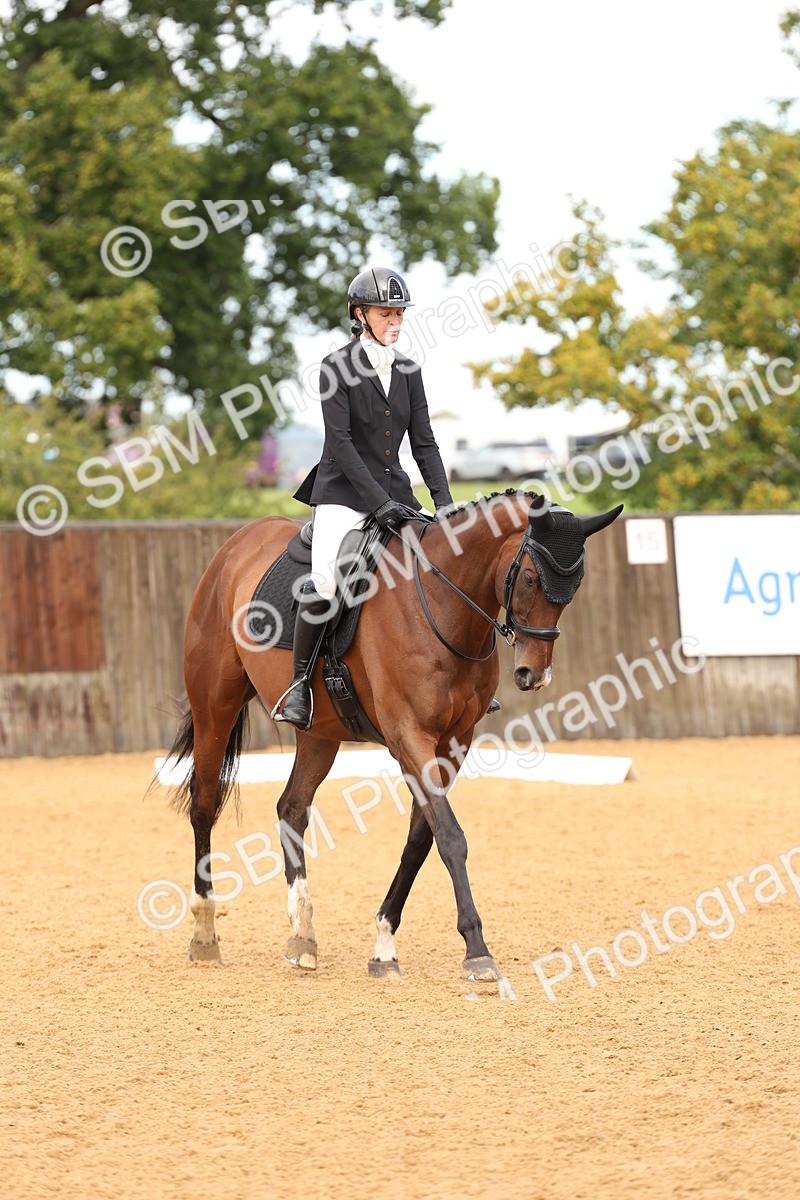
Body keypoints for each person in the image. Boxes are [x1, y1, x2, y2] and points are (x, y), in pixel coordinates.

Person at [274, 265, 496, 731]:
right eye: (385, 312)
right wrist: (376, 504)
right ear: (360, 315)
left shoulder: (409, 371)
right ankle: (297, 687)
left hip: (397, 492)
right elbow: (341, 443)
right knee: (327, 583)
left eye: (399, 312)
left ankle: (461, 677)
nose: (395, 320)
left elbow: (425, 442)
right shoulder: (336, 368)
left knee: (439, 565)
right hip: (342, 493)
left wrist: (444, 502)